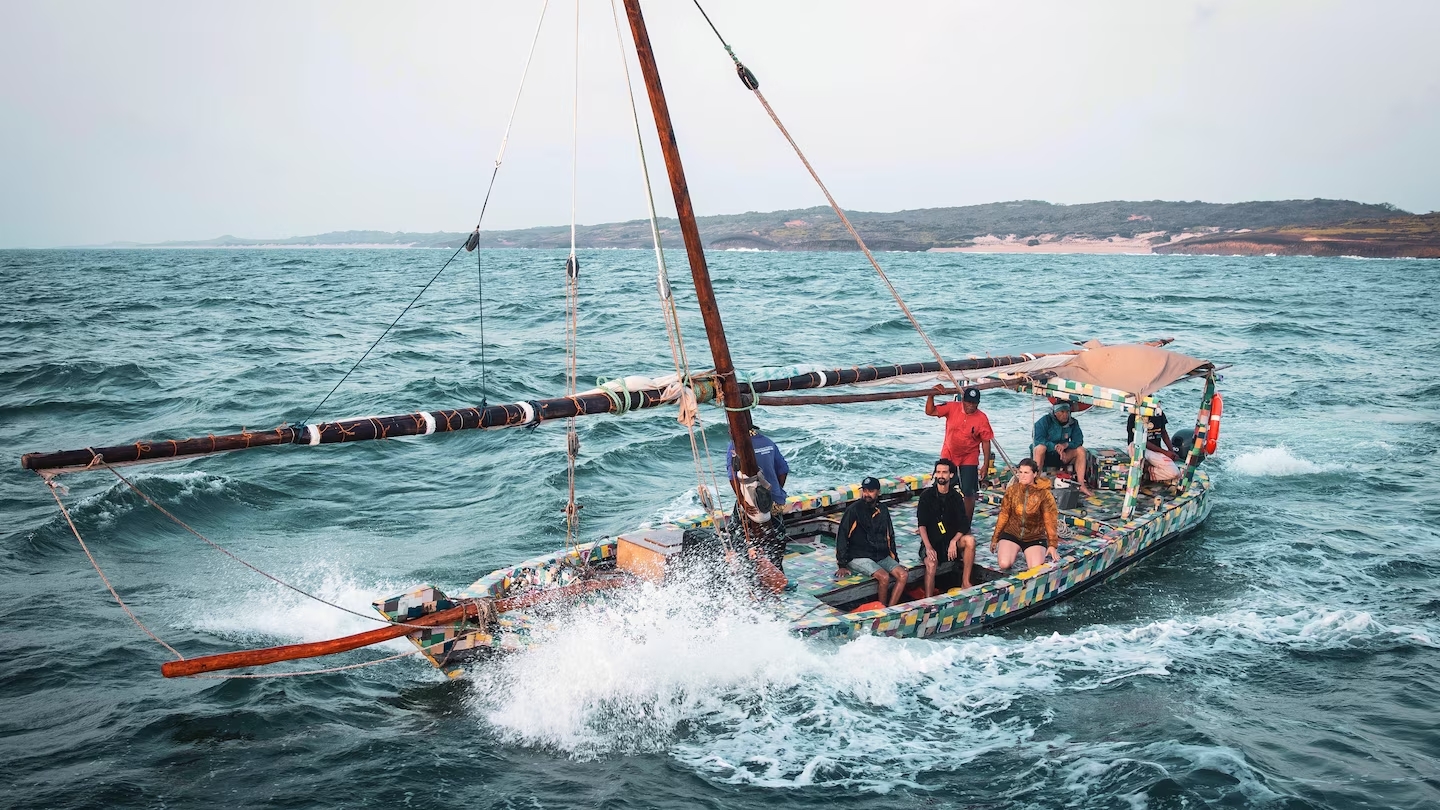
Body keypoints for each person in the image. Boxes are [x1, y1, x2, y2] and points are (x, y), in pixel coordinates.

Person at [835, 476, 908, 607]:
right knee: (884, 577)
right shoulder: (854, 510)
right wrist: (842, 564)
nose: (867, 494)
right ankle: (881, 610)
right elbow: (842, 536)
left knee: (903, 575)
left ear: (878, 492)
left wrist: (895, 560)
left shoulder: (883, 510)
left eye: (871, 491)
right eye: (865, 490)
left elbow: (890, 535)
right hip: (859, 555)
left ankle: (890, 608)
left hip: (879, 555)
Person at [726, 424, 790, 572]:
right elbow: (783, 469)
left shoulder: (735, 446)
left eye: (730, 429)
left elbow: (733, 477)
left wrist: (742, 501)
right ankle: (777, 571)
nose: (729, 431)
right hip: (773, 500)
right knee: (777, 537)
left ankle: (747, 570)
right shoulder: (768, 442)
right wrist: (775, 491)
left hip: (750, 501)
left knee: (735, 534)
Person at [925, 385, 995, 518]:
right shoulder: (952, 407)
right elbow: (930, 411)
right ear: (963, 400)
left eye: (974, 403)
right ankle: (933, 520)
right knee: (939, 487)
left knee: (969, 492)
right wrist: (931, 395)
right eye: (968, 402)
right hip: (949, 453)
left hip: (969, 455)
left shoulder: (982, 418)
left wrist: (985, 464)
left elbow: (986, 441)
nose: (970, 406)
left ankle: (965, 524)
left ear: (978, 403)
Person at [916, 459, 976, 597]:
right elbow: (921, 525)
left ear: (951, 475)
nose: (941, 475)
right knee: (931, 564)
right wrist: (928, 547)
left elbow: (964, 523)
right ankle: (928, 600)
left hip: (950, 542)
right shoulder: (926, 496)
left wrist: (954, 541)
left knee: (970, 541)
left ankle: (965, 582)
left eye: (944, 472)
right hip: (932, 542)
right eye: (938, 472)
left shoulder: (956, 497)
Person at [990, 458, 1060, 571]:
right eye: (1020, 472)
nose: (1022, 476)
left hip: (1034, 537)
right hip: (1012, 533)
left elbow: (1050, 520)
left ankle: (1030, 551)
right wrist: (995, 537)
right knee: (1004, 564)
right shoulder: (1012, 490)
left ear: (1035, 474)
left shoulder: (1044, 494)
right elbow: (1004, 514)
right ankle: (1012, 551)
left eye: (1026, 473)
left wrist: (1052, 544)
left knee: (1035, 569)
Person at [1031, 400, 1092, 496]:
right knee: (1040, 448)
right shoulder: (1045, 421)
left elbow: (1078, 440)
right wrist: (1054, 447)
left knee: (1081, 450)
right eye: (1062, 412)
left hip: (1063, 456)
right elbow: (1037, 439)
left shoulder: (1073, 423)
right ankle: (1035, 482)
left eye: (1067, 412)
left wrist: (1065, 445)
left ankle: (1081, 485)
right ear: (1055, 413)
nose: (1065, 415)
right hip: (1046, 455)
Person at [1126, 410, 1180, 483]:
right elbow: (1141, 440)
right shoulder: (1134, 416)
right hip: (1137, 447)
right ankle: (1144, 470)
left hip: (1155, 451)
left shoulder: (1158, 413)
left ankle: (1148, 472)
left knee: (1175, 473)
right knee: (1135, 447)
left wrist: (1171, 452)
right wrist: (1165, 452)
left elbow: (1163, 432)